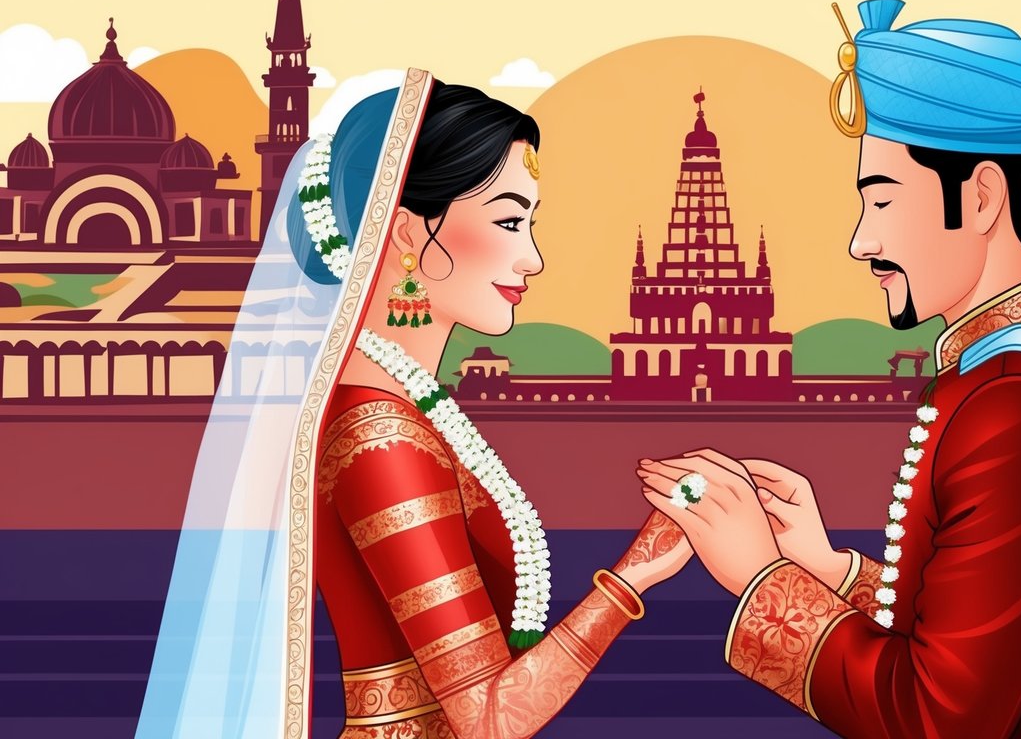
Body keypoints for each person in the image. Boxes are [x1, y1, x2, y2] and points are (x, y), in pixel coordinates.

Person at [638, 0, 1021, 739]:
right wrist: (828, 569)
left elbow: (937, 718)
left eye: (882, 201)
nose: (861, 243)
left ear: (981, 197)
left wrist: (763, 577)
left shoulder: (1020, 405)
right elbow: (986, 638)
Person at [134, 69, 692, 739]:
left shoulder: (402, 414)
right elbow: (487, 720)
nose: (533, 258)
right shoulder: (382, 443)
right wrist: (629, 578)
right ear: (404, 232)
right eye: (509, 221)